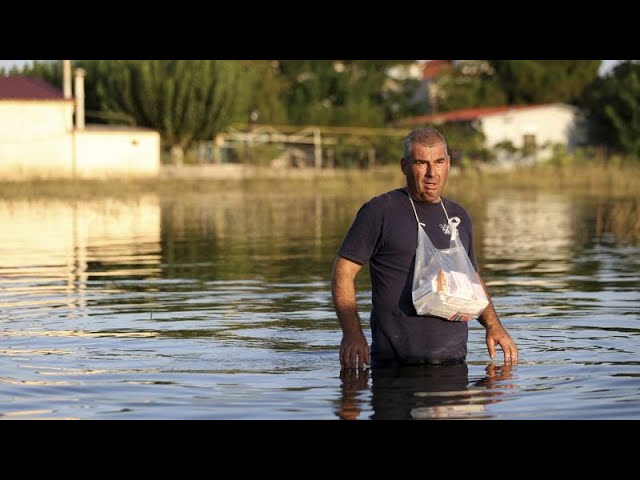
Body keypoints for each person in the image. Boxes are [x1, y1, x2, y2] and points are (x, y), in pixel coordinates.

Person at [332, 127, 518, 369]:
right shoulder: (380, 211)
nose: (432, 173)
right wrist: (352, 333)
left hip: (454, 365)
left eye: (439, 162)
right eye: (421, 163)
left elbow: (471, 279)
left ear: (448, 163)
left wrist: (493, 326)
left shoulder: (458, 215)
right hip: (394, 366)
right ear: (404, 166)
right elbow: (343, 272)